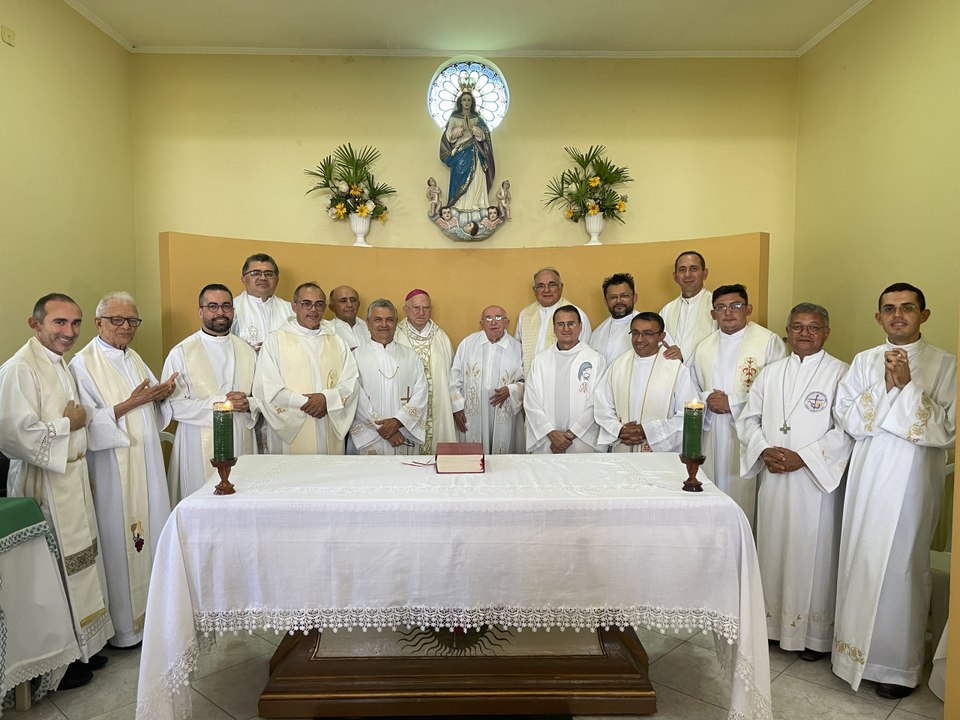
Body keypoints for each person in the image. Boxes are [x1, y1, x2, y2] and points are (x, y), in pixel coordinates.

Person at [832, 283, 956, 699]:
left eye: (907, 308)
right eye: (889, 308)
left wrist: (906, 386)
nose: (897, 315)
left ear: (925, 314)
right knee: (860, 561)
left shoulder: (946, 366)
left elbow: (947, 431)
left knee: (903, 568)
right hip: (866, 480)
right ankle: (850, 657)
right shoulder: (864, 361)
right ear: (878, 317)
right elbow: (847, 417)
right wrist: (884, 386)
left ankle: (896, 668)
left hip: (913, 485)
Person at [0, 294, 113, 689]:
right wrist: (68, 426)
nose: (69, 332)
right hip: (43, 483)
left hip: (71, 477)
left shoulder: (58, 363)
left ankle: (83, 646)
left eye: (75, 323)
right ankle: (54, 665)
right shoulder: (18, 369)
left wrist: (81, 466)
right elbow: (12, 436)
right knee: (51, 574)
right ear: (36, 324)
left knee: (81, 564)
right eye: (59, 323)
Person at [736, 303, 852, 661]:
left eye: (813, 327)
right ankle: (772, 628)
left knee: (812, 552)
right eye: (798, 327)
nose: (804, 333)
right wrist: (763, 450)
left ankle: (813, 636)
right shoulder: (771, 374)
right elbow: (748, 418)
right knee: (773, 547)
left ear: (826, 332)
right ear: (787, 330)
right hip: (774, 477)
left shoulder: (841, 374)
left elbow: (845, 430)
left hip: (815, 484)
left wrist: (804, 458)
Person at [69, 292, 177, 649]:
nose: (125, 327)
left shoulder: (135, 358)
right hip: (113, 470)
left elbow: (149, 408)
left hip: (146, 465)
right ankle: (126, 628)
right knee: (122, 541)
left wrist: (161, 396)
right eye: (117, 320)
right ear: (99, 323)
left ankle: (155, 618)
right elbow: (83, 422)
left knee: (153, 530)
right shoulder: (83, 365)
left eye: (132, 321)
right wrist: (131, 403)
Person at [689, 284, 785, 524]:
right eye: (720, 307)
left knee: (744, 497)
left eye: (735, 306)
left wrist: (732, 402)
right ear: (713, 314)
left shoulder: (768, 341)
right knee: (712, 493)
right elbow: (691, 389)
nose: (728, 312)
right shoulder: (703, 347)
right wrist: (707, 399)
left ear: (748, 308)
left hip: (749, 434)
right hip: (711, 435)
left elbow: (778, 389)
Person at [162, 284, 259, 503]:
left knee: (242, 499)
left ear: (233, 311)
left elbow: (260, 398)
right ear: (200, 311)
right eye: (212, 306)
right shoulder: (182, 352)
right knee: (202, 501)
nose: (220, 312)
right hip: (197, 441)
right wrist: (221, 403)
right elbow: (172, 405)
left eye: (226, 306)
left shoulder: (246, 350)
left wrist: (248, 403)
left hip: (241, 437)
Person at [253, 283, 359, 455]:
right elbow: (266, 387)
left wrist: (326, 399)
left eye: (319, 304)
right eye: (306, 303)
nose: (313, 309)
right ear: (294, 306)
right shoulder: (275, 341)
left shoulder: (337, 341)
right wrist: (307, 403)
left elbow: (351, 381)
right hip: (292, 427)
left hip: (328, 422)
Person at [595, 312, 698, 453]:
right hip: (622, 447)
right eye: (635, 333)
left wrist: (648, 431)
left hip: (658, 455)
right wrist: (619, 430)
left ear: (661, 336)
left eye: (647, 333)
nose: (639, 339)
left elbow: (688, 415)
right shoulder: (618, 365)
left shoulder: (676, 369)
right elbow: (603, 404)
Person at [348, 299, 428, 455]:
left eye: (389, 320)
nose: (384, 325)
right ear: (368, 323)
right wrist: (385, 430)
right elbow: (355, 397)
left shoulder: (411, 356)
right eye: (378, 320)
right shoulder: (355, 357)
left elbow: (421, 393)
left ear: (396, 322)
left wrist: (398, 422)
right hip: (370, 439)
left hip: (403, 433)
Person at [524, 306, 606, 454]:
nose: (566, 328)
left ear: (580, 326)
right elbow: (531, 401)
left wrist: (570, 435)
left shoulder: (595, 359)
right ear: (554, 328)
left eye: (571, 323)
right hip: (547, 440)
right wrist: (551, 433)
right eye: (560, 324)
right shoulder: (541, 360)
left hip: (581, 440)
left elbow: (598, 401)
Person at [449, 305, 524, 454]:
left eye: (498, 318)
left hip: (505, 412)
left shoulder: (517, 348)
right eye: (488, 318)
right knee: (473, 458)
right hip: (471, 413)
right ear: (481, 323)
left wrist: (511, 390)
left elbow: (527, 379)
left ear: (507, 323)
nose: (493, 322)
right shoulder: (468, 344)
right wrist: (457, 408)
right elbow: (454, 377)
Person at [395, 289, 456, 453]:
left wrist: (456, 406)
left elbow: (452, 376)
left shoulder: (441, 337)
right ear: (405, 309)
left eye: (426, 308)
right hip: (406, 407)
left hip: (438, 407)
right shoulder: (395, 336)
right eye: (416, 308)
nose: (421, 312)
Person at [515, 267, 592, 376]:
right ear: (534, 290)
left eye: (552, 284)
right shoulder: (525, 314)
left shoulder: (576, 314)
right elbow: (518, 353)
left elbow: (584, 351)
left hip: (564, 379)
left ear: (561, 287)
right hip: (530, 382)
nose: (546, 290)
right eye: (541, 286)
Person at [439, 91, 495, 211]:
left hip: (475, 150)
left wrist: (474, 129)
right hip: (460, 151)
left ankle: (477, 203)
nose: (466, 102)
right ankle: (459, 203)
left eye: (469, 100)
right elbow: (449, 136)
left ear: (472, 102)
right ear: (460, 102)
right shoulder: (454, 118)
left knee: (477, 175)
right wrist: (461, 129)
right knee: (459, 174)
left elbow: (485, 135)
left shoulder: (477, 118)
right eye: (464, 100)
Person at [659, 251, 717, 361]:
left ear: (705, 274)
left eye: (693, 268)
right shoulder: (666, 311)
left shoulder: (718, 306)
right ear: (675, 277)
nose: (687, 275)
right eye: (682, 270)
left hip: (707, 376)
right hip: (675, 375)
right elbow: (661, 347)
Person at [231, 253, 292, 350]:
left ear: (277, 280)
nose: (263, 278)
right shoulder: (231, 309)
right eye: (255, 273)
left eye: (269, 274)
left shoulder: (291, 311)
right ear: (243, 279)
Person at [590, 273, 640, 364]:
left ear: (635, 298)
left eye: (624, 296)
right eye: (613, 297)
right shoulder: (597, 334)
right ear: (606, 302)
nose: (619, 301)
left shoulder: (649, 327)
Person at [329, 285, 371, 351]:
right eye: (343, 301)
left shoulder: (370, 327)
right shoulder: (327, 330)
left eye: (353, 300)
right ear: (332, 307)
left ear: (358, 305)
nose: (349, 305)